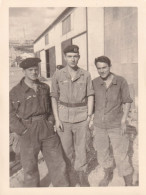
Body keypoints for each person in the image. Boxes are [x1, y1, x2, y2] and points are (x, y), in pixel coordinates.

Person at [9, 57, 69, 187]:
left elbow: (51, 107)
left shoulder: (44, 87)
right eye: (30, 70)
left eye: (36, 69)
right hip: (27, 130)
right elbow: (9, 115)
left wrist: (51, 120)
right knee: (30, 168)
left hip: (46, 127)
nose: (34, 72)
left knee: (58, 164)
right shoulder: (15, 91)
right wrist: (22, 130)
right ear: (24, 71)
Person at [51, 45, 94, 186]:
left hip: (82, 118)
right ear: (64, 58)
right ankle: (69, 175)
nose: (72, 59)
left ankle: (81, 174)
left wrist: (89, 117)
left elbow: (90, 95)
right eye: (69, 56)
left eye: (75, 56)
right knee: (66, 149)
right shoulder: (58, 75)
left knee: (81, 148)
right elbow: (54, 97)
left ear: (79, 57)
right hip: (64, 118)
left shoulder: (85, 74)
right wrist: (57, 119)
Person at [93, 56, 133, 186]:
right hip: (99, 125)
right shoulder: (94, 82)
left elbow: (127, 101)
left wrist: (123, 121)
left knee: (121, 154)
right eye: (99, 68)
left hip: (116, 124)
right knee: (102, 152)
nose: (102, 71)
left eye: (104, 67)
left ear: (110, 66)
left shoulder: (120, 81)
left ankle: (128, 182)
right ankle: (107, 174)